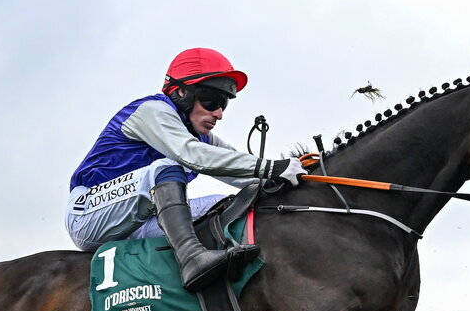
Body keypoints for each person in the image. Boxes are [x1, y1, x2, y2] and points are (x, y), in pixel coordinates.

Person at [66, 47, 306, 292]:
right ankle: (192, 259)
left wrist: (296, 177)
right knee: (165, 167)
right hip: (88, 215)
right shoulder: (153, 111)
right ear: (182, 92)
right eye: (212, 100)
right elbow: (192, 155)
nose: (219, 114)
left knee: (226, 204)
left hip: (138, 223)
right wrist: (270, 168)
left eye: (224, 103)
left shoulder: (201, 137)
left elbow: (239, 168)